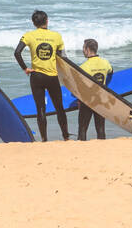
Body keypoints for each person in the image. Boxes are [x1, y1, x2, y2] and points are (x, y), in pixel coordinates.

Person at [16, 10, 69, 141]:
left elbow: (17, 52)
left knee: (40, 108)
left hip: (36, 77)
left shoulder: (29, 36)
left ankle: (44, 139)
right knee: (59, 107)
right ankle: (66, 137)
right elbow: (63, 58)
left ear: (34, 23)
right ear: (47, 21)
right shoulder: (56, 36)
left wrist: (25, 69)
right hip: (52, 77)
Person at [76, 39, 112, 140]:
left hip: (87, 100)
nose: (83, 50)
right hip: (101, 99)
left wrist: (79, 100)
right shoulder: (105, 63)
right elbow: (110, 72)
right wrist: (105, 85)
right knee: (100, 129)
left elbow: (80, 86)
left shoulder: (83, 67)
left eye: (83, 48)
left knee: (82, 129)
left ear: (87, 49)